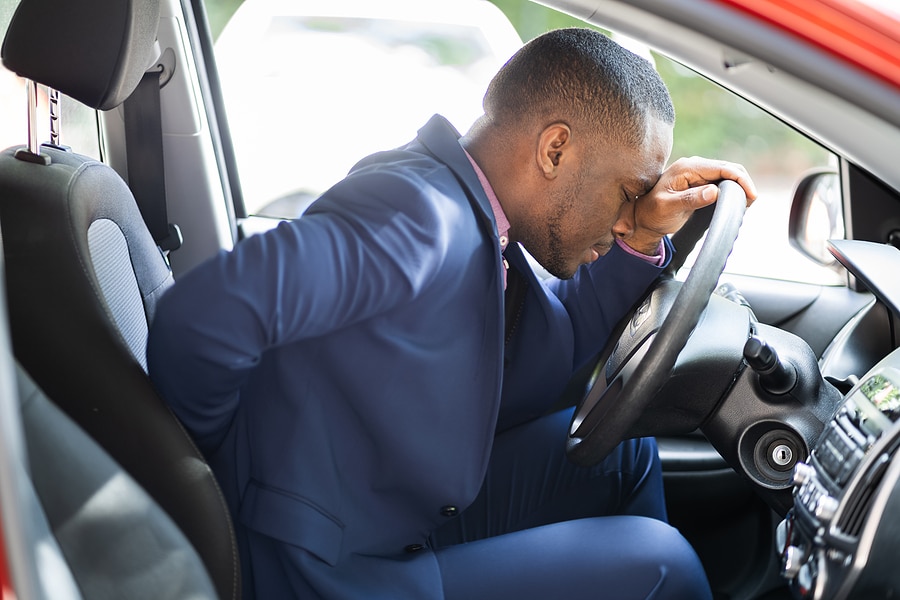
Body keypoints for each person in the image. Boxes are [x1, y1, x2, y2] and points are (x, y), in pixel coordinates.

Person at [147, 27, 756, 599]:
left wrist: (640, 240)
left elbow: (553, 344)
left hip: (391, 514)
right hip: (327, 567)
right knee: (660, 562)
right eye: (628, 194)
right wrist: (219, 483)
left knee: (626, 450)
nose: (627, 215)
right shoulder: (417, 217)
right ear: (555, 149)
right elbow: (200, 318)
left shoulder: (476, 214)